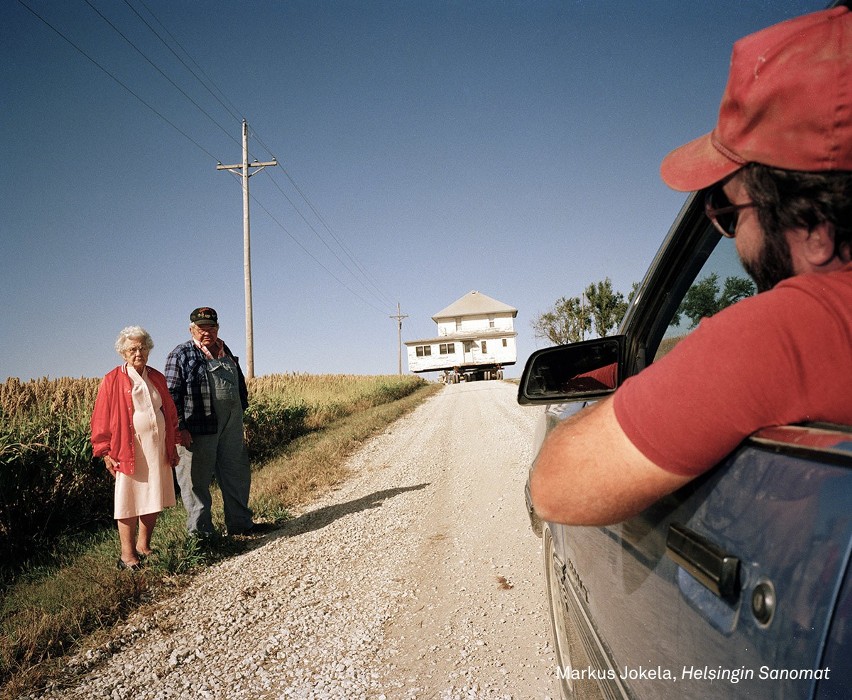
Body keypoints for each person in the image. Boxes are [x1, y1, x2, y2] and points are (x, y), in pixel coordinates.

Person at [531, 7, 852, 527]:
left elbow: (556, 486)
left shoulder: (793, 331)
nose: (729, 234)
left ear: (815, 227)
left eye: (728, 211)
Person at [91, 326, 181, 569]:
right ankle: (127, 555)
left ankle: (144, 545)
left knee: (154, 496)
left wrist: (173, 441)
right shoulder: (113, 379)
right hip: (128, 448)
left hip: (157, 447)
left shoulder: (157, 377)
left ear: (148, 349)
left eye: (142, 347)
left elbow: (169, 412)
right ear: (123, 352)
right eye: (132, 348)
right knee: (128, 499)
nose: (138, 352)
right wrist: (104, 449)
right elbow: (101, 417)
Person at [165, 307, 257, 536]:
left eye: (211, 327)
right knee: (196, 481)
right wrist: (180, 429)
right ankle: (202, 534)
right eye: (201, 328)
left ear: (218, 327)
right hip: (198, 428)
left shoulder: (225, 350)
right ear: (191, 329)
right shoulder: (181, 354)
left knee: (236, 474)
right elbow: (170, 395)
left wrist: (241, 413)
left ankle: (240, 525)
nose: (207, 332)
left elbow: (240, 386)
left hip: (231, 426)